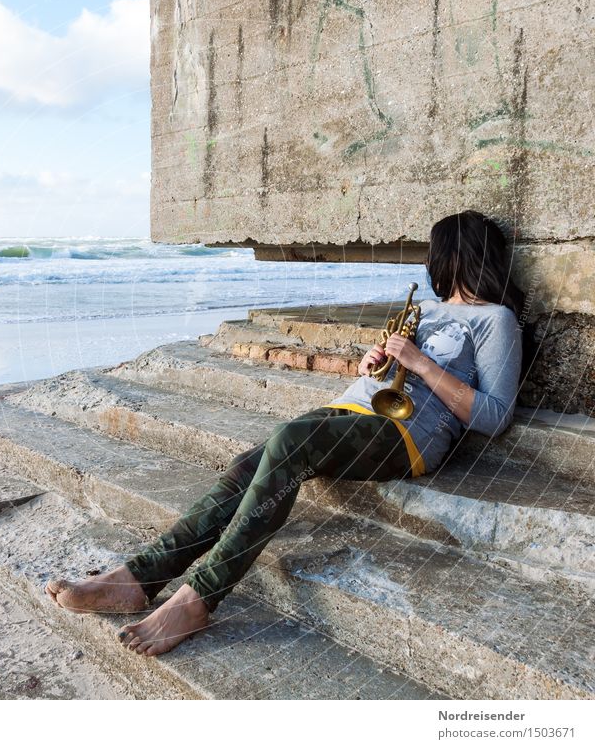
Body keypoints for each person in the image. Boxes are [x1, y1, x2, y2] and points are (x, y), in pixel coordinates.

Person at [45, 210, 527, 656]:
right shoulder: (425, 308)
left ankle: (198, 599)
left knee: (288, 442)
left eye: (435, 253)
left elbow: (494, 415)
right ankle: (140, 577)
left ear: (451, 255)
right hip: (352, 409)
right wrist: (375, 365)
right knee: (246, 468)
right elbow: (386, 375)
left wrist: (418, 361)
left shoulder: (496, 320)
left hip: (404, 434)